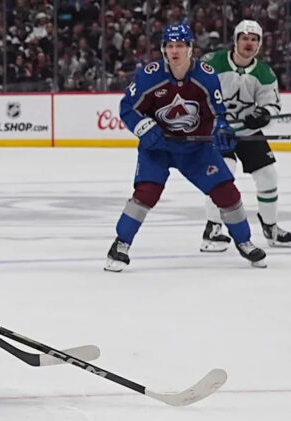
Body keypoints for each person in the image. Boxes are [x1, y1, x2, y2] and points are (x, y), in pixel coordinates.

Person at [105, 22, 266, 272]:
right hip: (157, 149)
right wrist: (146, 130)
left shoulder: (206, 76)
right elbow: (128, 108)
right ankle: (121, 244)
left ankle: (244, 241)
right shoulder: (150, 75)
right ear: (163, 50)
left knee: (227, 192)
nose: (175, 51)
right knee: (146, 193)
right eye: (170, 46)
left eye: (180, 45)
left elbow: (217, 114)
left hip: (196, 151)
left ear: (191, 49)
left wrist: (222, 131)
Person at [199, 20, 290, 251]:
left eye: (254, 39)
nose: (249, 43)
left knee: (268, 175)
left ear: (259, 44)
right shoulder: (213, 63)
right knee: (223, 175)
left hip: (248, 132)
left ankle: (271, 228)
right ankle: (212, 230)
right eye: (245, 38)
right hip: (218, 132)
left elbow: (272, 104)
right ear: (236, 40)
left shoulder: (264, 73)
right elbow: (196, 91)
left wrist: (262, 115)